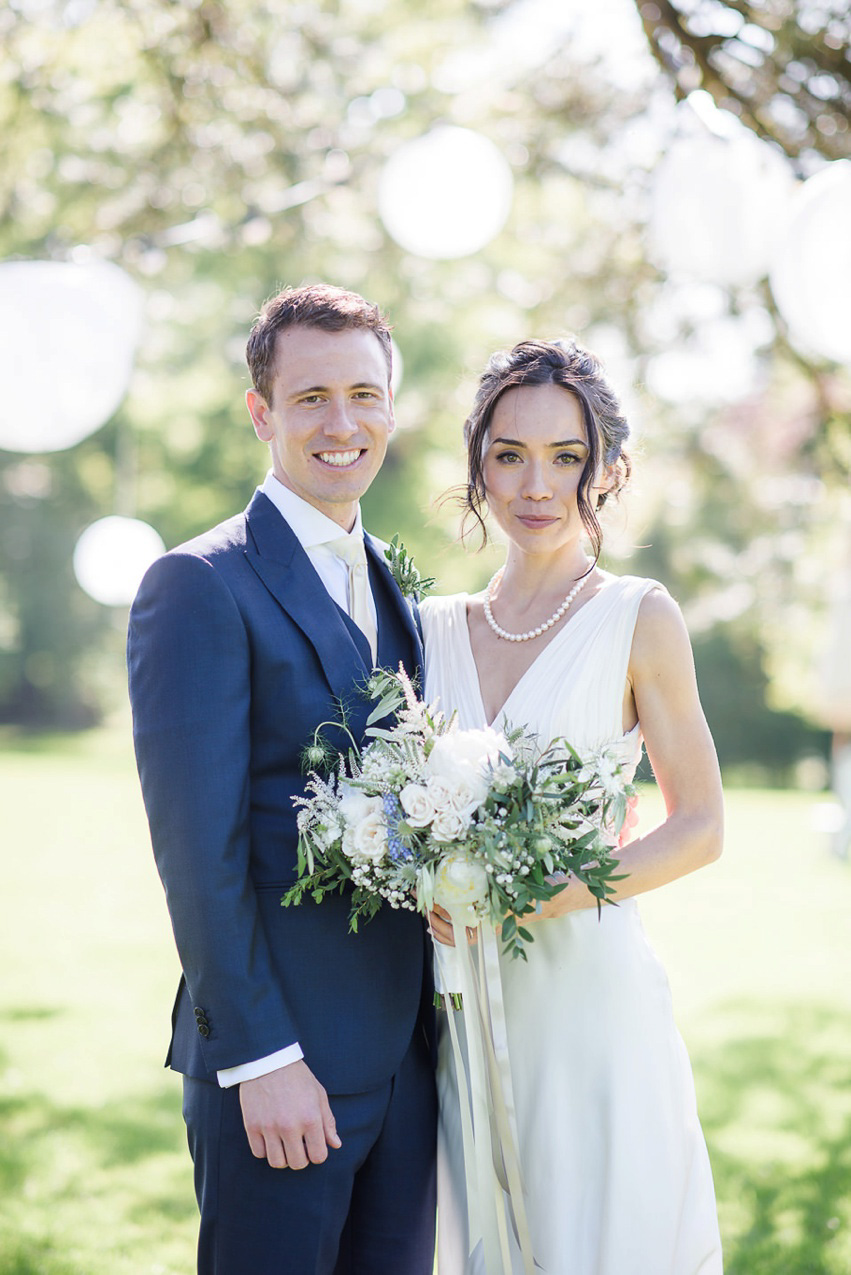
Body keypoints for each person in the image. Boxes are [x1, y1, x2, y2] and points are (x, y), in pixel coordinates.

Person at [127, 283, 437, 1275]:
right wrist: (261, 1061)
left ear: (391, 405)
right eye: (309, 398)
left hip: (407, 1069)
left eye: (363, 394)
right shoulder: (199, 584)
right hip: (282, 1072)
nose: (340, 423)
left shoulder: (392, 576)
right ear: (262, 414)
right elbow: (196, 854)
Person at [424, 338, 724, 1274]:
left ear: (607, 468)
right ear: (478, 463)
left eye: (566, 457)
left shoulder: (639, 616)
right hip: (457, 1003)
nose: (535, 484)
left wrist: (541, 893)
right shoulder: (431, 629)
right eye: (509, 454)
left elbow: (700, 826)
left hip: (589, 1003)